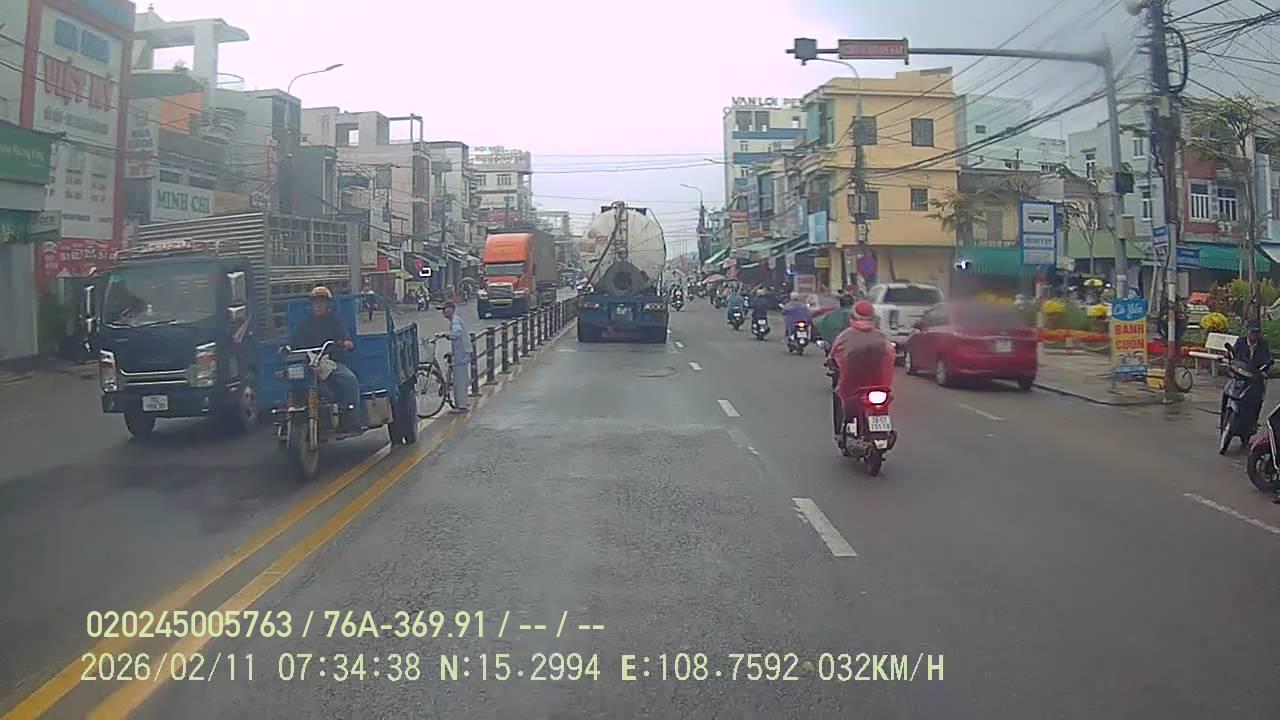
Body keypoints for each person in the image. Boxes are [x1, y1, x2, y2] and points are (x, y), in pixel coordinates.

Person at [292, 286, 364, 432]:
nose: (317, 305)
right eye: (315, 302)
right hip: (309, 363)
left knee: (350, 380)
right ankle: (291, 416)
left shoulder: (335, 320)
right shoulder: (305, 324)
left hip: (330, 362)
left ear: (327, 304)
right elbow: (294, 342)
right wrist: (286, 348)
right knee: (290, 380)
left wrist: (345, 343)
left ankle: (351, 419)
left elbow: (346, 338)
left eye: (321, 302)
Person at [825, 300, 895, 445]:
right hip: (879, 383)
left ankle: (840, 431)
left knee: (838, 396)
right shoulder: (881, 337)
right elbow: (891, 355)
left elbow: (833, 355)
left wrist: (831, 362)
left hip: (852, 385)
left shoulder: (845, 336)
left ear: (852, 317)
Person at [1225, 321, 1273, 450]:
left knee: (1257, 398)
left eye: (1257, 332)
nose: (1254, 335)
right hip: (1240, 376)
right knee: (1228, 390)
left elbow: (1268, 359)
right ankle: (1225, 415)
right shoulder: (1240, 342)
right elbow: (1233, 355)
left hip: (1254, 378)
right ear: (1247, 332)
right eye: (1252, 332)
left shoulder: (1263, 344)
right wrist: (1229, 360)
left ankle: (1252, 423)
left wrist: (1264, 370)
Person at [438, 300, 472, 414]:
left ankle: (462, 406)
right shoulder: (454, 320)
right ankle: (462, 403)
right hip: (460, 353)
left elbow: (457, 333)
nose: (443, 312)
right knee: (460, 379)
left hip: (461, 354)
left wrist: (445, 334)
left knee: (459, 380)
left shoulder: (456, 321)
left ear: (451, 309)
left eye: (445, 309)